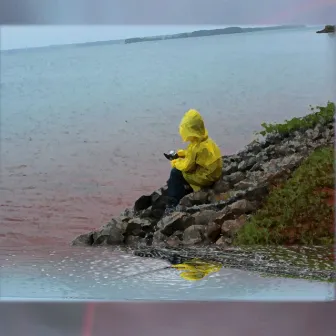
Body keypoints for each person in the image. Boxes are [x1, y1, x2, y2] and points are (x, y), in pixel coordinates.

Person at [166, 109, 222, 207]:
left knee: (175, 173)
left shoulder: (196, 147)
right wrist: (181, 154)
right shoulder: (206, 141)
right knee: (182, 171)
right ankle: (185, 188)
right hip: (215, 173)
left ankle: (173, 204)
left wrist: (175, 162)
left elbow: (187, 166)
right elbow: (194, 156)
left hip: (206, 178)